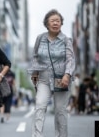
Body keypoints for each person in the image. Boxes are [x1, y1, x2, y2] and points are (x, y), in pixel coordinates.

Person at [28, 9, 75, 137]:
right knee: (39, 106)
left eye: (58, 21)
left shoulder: (66, 40)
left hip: (61, 80)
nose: (55, 23)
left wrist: (67, 75)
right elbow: (36, 56)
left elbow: (70, 59)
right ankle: (37, 135)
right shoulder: (40, 38)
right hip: (44, 79)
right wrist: (34, 72)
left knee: (60, 111)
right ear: (47, 24)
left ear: (61, 23)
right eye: (53, 21)